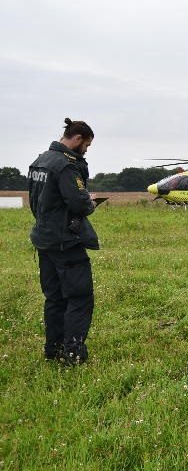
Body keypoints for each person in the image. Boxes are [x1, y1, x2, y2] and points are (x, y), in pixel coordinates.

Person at [28, 118, 99, 365]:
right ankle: (73, 354)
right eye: (86, 145)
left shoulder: (40, 161)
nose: (86, 150)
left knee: (55, 298)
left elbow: (37, 202)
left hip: (44, 239)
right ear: (77, 139)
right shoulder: (66, 166)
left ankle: (53, 349)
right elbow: (79, 203)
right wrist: (90, 201)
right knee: (79, 298)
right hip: (66, 242)